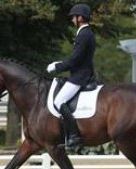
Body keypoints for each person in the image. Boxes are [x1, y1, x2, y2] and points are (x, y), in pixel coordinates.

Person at [46, 3, 95, 147]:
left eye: (74, 17)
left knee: (59, 101)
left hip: (80, 76)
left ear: (80, 18)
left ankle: (74, 136)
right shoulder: (86, 33)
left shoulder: (84, 34)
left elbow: (76, 60)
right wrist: (62, 62)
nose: (72, 19)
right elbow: (78, 57)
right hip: (81, 73)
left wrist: (57, 67)